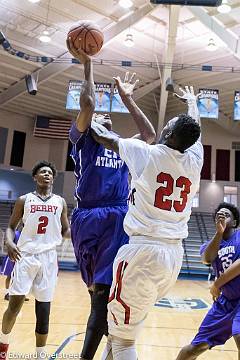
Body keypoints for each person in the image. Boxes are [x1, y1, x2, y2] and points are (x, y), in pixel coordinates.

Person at [90, 85, 203, 360]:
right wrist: (192, 102)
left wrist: (90, 117)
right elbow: (196, 128)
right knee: (119, 334)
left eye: (168, 125)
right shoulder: (195, 159)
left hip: (142, 252)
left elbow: (105, 138)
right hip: (172, 256)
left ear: (168, 135)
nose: (163, 127)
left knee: (123, 341)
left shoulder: (148, 154)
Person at [66, 38, 156, 360]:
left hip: (117, 217)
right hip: (87, 217)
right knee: (98, 294)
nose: (103, 117)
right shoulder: (82, 138)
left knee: (103, 295)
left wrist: (127, 99)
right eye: (98, 118)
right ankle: (112, 346)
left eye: (107, 117)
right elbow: (88, 105)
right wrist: (88, 62)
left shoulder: (121, 146)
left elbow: (149, 137)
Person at [0, 160, 70, 360]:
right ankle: (3, 347)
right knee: (14, 306)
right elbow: (11, 226)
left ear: (53, 178)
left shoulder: (60, 202)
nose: (46, 174)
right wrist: (9, 242)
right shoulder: (24, 199)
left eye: (49, 172)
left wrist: (82, 234)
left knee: (44, 309)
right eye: (42, 172)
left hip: (49, 258)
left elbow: (65, 231)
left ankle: (40, 355)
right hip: (26, 256)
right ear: (35, 177)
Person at [176, 202, 240, 360]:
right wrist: (219, 233)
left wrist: (217, 284)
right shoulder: (209, 245)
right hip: (224, 304)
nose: (222, 216)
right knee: (194, 348)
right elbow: (207, 259)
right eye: (219, 214)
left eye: (227, 214)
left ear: (235, 222)